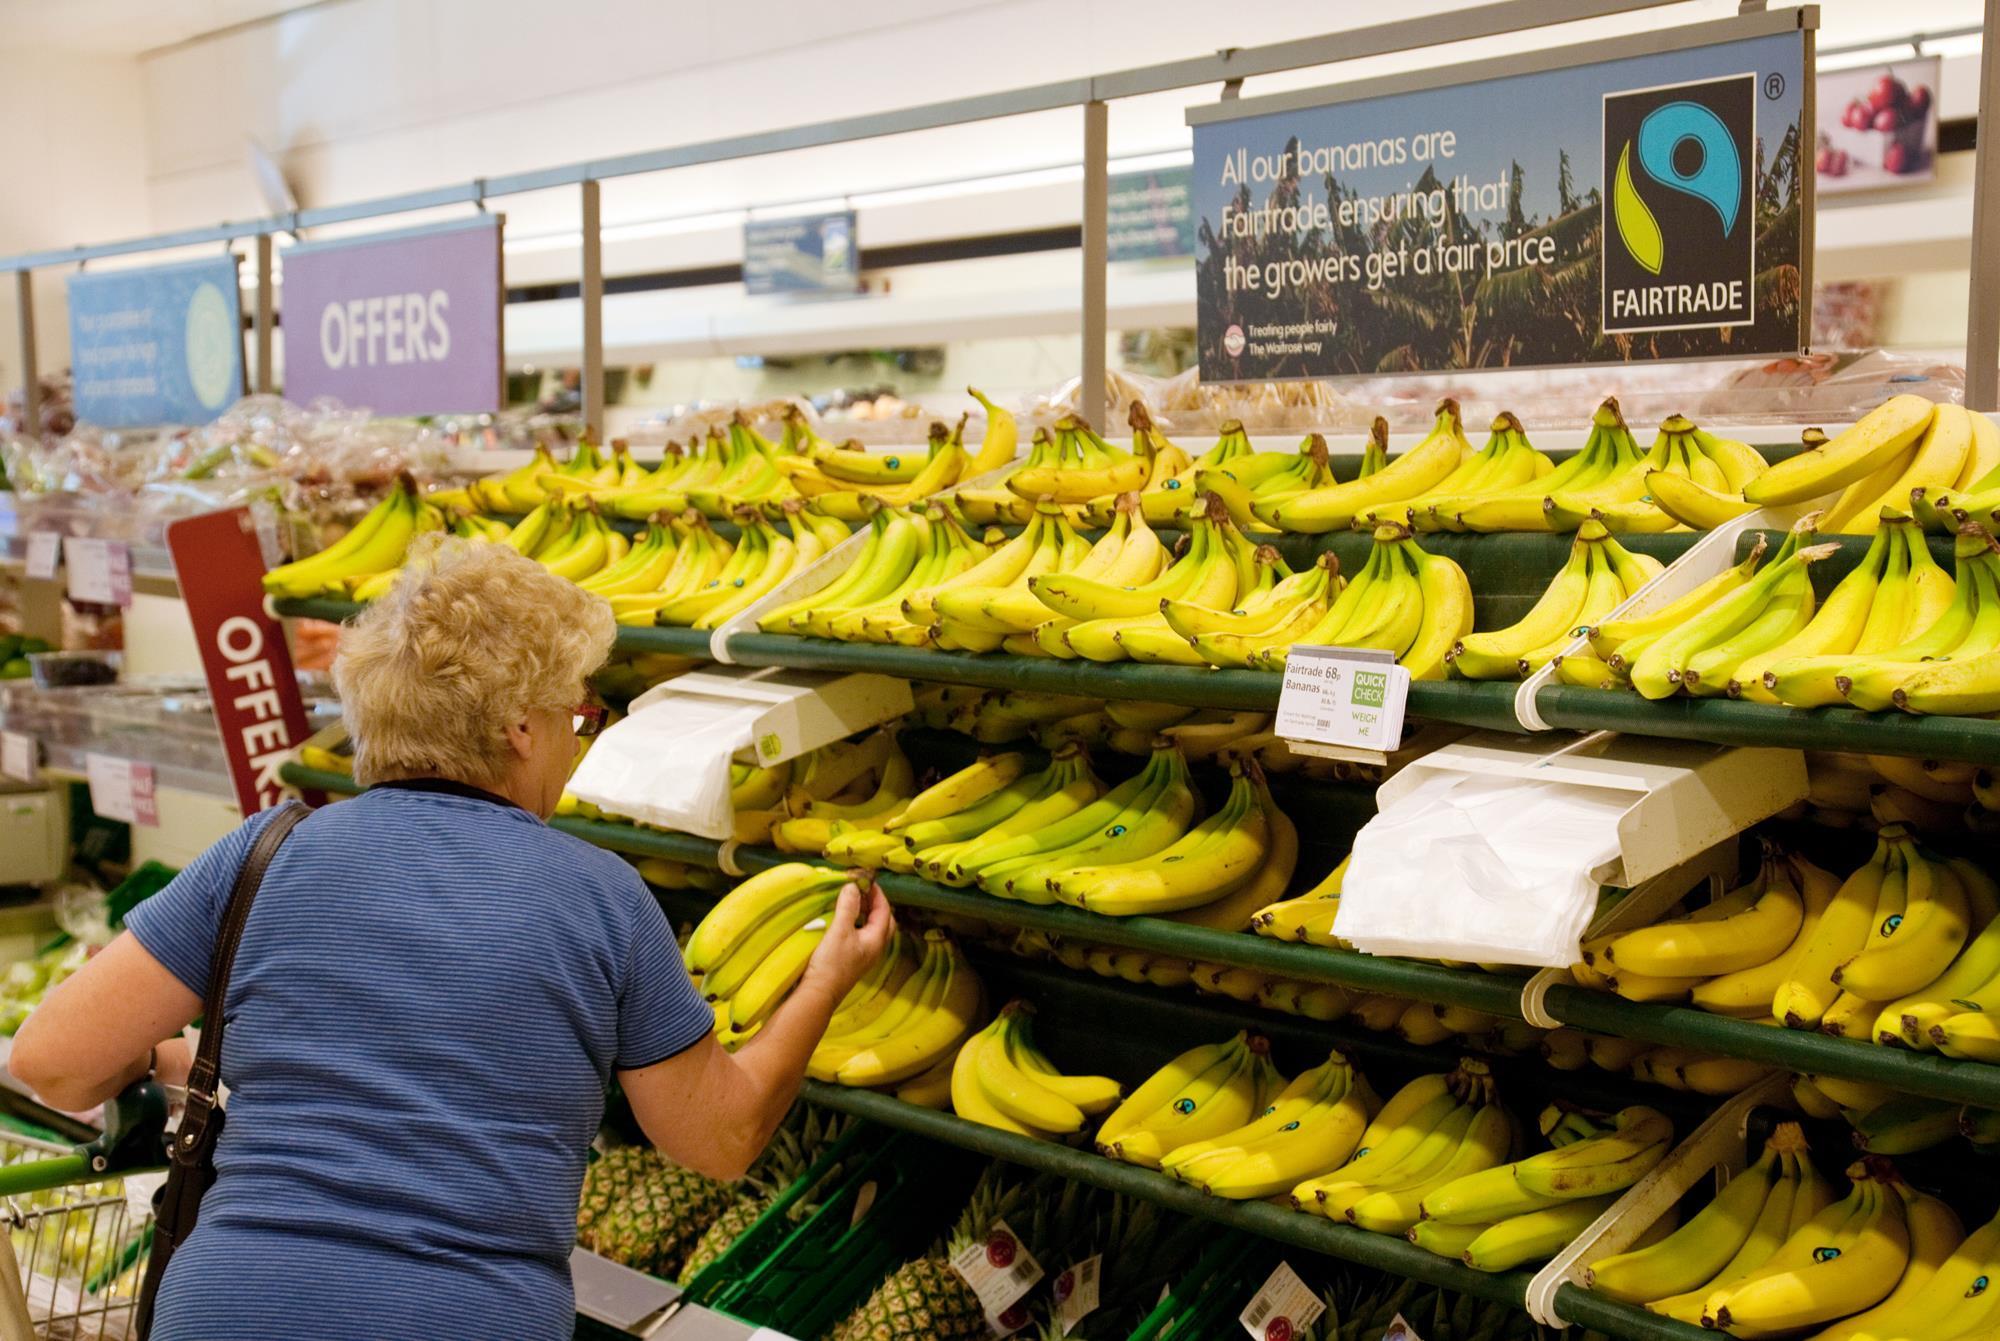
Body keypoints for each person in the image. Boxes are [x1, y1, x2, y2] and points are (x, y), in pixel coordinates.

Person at [8, 536, 893, 1341]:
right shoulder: (602, 899)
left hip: (232, 1307)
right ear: (518, 727)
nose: (572, 746)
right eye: (573, 720)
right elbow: (720, 1137)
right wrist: (826, 979)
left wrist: (193, 1055)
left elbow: (52, 1061)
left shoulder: (266, 852)